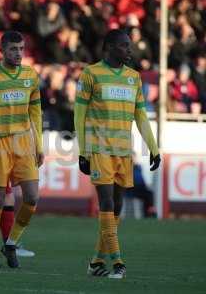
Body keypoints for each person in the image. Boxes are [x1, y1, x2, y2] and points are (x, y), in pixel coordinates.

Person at [74, 29, 161, 279]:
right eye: (124, 46)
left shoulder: (134, 78)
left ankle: (96, 262)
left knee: (117, 207)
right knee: (107, 203)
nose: (129, 50)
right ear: (110, 47)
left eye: (129, 46)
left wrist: (153, 148)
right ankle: (118, 261)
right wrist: (84, 151)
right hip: (99, 149)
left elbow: (140, 115)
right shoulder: (91, 74)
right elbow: (79, 114)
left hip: (124, 152)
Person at [0, 31, 43, 268]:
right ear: (1, 51)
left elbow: (35, 113)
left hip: (23, 142)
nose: (18, 54)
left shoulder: (30, 76)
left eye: (21, 49)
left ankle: (11, 242)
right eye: (13, 49)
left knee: (32, 197)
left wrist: (39, 145)